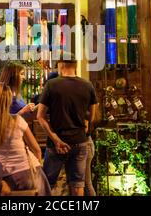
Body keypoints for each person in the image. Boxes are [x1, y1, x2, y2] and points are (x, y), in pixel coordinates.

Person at [37, 54, 98, 196]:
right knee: (78, 185)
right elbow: (92, 115)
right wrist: (85, 124)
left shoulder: (51, 85)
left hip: (57, 144)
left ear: (61, 65)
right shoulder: (87, 85)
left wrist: (56, 139)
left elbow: (40, 116)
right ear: (75, 66)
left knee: (46, 184)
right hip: (80, 141)